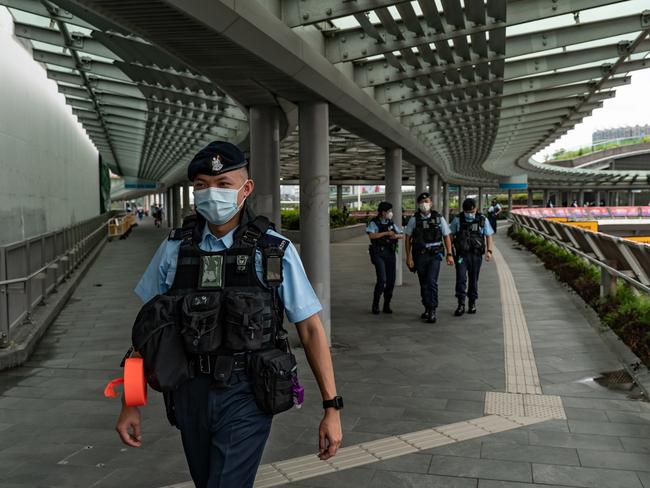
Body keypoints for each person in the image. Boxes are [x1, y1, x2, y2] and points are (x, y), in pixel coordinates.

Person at [115, 141, 343, 488]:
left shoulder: (273, 250)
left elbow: (310, 329)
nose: (212, 194)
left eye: (223, 185)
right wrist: (130, 403)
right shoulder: (174, 250)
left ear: (245, 189)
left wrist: (332, 407)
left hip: (248, 391)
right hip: (188, 391)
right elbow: (145, 335)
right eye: (202, 185)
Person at [404, 192, 454, 324]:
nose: (424, 204)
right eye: (422, 202)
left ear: (431, 203)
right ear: (418, 204)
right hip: (420, 255)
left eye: (427, 201)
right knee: (423, 283)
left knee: (431, 282)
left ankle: (432, 310)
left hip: (435, 255)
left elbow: (446, 236)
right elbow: (408, 238)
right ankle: (426, 307)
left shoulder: (439, 218)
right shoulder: (414, 220)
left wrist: (449, 254)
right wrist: (409, 257)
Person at [450, 198, 494, 316]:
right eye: (467, 212)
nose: (470, 214)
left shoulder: (482, 220)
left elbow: (488, 235)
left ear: (476, 209)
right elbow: (450, 234)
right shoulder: (458, 219)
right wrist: (449, 251)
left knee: (474, 279)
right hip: (461, 256)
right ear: (463, 210)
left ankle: (472, 303)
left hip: (476, 255)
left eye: (472, 211)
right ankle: (461, 303)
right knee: (461, 278)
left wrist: (489, 251)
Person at [366, 201, 403, 314]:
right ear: (383, 212)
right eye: (389, 211)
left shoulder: (390, 222)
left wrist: (395, 235)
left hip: (390, 253)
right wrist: (386, 233)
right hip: (378, 253)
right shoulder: (374, 223)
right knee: (382, 279)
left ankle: (387, 304)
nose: (391, 213)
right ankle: (375, 304)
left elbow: (401, 234)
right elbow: (371, 235)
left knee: (391, 280)